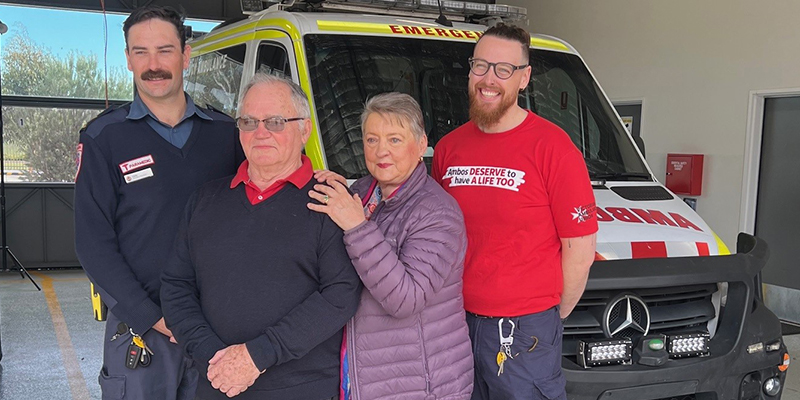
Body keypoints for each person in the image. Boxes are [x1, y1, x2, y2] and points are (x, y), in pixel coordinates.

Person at [74, 5, 243, 400]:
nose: (153, 65)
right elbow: (93, 244)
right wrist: (153, 317)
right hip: (141, 331)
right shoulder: (103, 138)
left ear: (186, 55)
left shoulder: (226, 135)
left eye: (165, 50)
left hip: (215, 329)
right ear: (128, 59)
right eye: (141, 52)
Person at [160, 73, 362, 400]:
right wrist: (213, 357)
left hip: (300, 390)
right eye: (249, 121)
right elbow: (175, 284)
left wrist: (257, 355)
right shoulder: (205, 200)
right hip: (214, 382)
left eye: (277, 121)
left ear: (305, 129)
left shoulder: (332, 202)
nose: (261, 132)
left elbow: (341, 294)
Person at [431, 24, 598, 400]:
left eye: (504, 69)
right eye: (481, 66)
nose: (489, 79)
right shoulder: (448, 148)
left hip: (525, 335)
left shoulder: (554, 148)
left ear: (523, 79)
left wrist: (548, 315)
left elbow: (580, 249)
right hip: (454, 325)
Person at [308, 92, 473, 400]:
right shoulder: (362, 193)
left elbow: (406, 299)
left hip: (418, 384)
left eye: (395, 140)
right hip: (362, 375)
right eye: (372, 140)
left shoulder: (438, 212)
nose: (381, 150)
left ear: (421, 144)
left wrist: (357, 227)